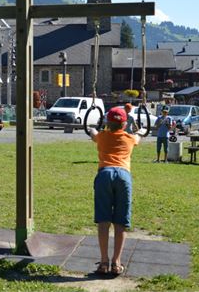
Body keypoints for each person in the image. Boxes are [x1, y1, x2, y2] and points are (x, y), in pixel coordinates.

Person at [88, 108, 146, 276]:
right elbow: (139, 136)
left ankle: (104, 262)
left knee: (103, 221)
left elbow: (92, 133)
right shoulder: (129, 138)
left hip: (104, 174)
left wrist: (92, 128)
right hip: (123, 175)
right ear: (125, 124)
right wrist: (141, 130)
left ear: (107, 123)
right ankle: (116, 262)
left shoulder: (102, 136)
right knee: (120, 222)